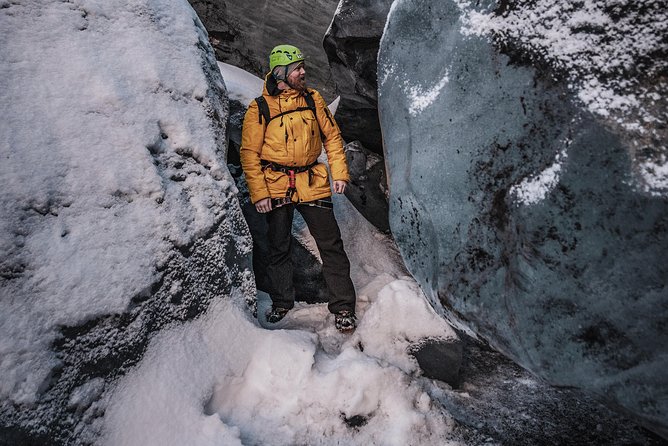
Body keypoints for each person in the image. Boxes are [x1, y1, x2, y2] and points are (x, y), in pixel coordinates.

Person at [240, 44, 357, 332]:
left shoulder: (313, 99)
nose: (303, 72)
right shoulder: (261, 108)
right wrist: (260, 193)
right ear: (281, 73)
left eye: (302, 66)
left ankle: (343, 307)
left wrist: (339, 173)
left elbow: (332, 138)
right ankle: (282, 302)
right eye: (297, 68)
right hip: (276, 184)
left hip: (312, 181)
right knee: (278, 247)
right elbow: (249, 153)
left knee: (331, 245)